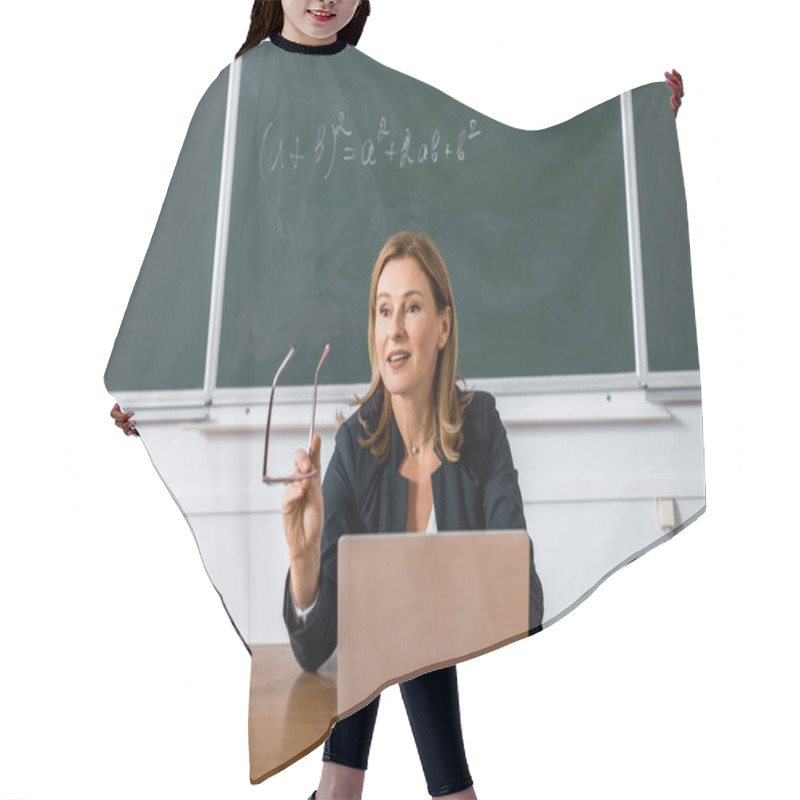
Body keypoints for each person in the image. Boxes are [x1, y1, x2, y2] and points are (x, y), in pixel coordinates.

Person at [109, 0, 684, 437]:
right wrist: (151, 375)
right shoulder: (238, 94)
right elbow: (192, 242)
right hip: (260, 401)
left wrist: (632, 132)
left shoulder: (378, 100)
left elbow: (497, 179)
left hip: (376, 404)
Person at [281, 230, 544, 800]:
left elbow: (525, 599)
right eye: (383, 311)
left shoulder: (480, 429)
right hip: (386, 665)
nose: (394, 329)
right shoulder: (353, 448)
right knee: (389, 612)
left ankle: (339, 790)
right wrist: (303, 564)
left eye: (413, 308)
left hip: (477, 671)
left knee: (397, 610)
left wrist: (426, 603)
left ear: (444, 326)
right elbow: (315, 646)